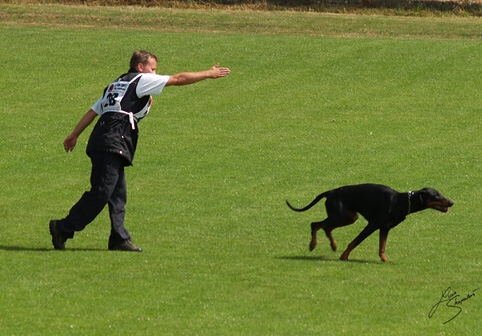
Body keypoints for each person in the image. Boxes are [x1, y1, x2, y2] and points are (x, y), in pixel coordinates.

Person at [49, 50, 230, 252]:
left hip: (105, 137)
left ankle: (118, 238)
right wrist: (207, 73)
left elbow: (94, 111)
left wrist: (74, 135)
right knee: (102, 191)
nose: (155, 73)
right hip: (113, 138)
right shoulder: (141, 79)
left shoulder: (115, 84)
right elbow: (178, 79)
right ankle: (63, 227)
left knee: (118, 193)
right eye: (153, 69)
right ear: (140, 67)